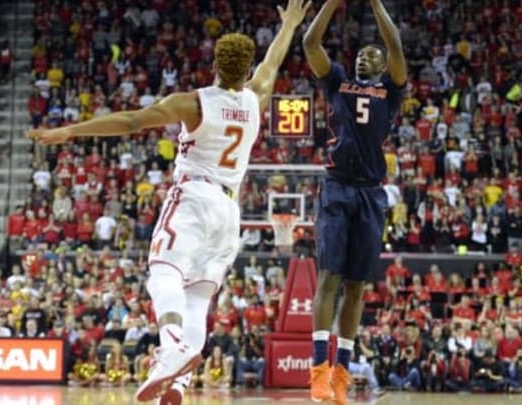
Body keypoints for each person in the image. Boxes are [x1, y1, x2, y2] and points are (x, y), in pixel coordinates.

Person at [27, 1, 310, 403]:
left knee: (162, 270)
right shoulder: (254, 99)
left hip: (194, 196)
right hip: (230, 212)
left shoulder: (193, 102)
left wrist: (70, 131)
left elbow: (130, 122)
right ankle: (178, 382)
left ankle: (173, 345)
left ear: (215, 62)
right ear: (246, 69)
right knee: (198, 295)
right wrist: (290, 27)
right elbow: (273, 63)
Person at [303, 0, 407, 403]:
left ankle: (341, 377)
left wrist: (376, 4)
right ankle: (318, 372)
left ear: (381, 65)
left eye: (372, 54)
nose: (366, 56)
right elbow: (311, 41)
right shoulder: (338, 80)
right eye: (362, 53)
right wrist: (330, 4)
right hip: (337, 186)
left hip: (370, 191)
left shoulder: (391, 91)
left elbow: (395, 46)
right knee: (329, 277)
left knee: (357, 285)